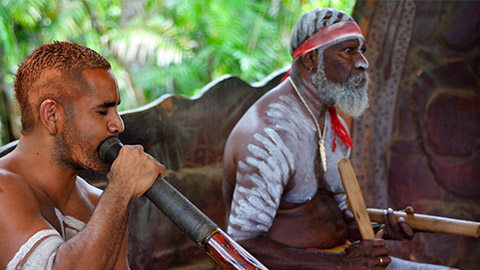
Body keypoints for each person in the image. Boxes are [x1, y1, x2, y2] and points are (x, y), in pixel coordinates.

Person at [222, 8, 455, 270]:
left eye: (362, 51)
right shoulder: (270, 134)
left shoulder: (333, 125)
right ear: (311, 59)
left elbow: (339, 220)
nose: (362, 63)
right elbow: (242, 247)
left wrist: (385, 229)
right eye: (348, 51)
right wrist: (341, 263)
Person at [0, 41, 165, 269]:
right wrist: (120, 191)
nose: (118, 124)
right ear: (52, 115)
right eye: (102, 111)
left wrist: (117, 196)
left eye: (116, 109)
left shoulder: (100, 204)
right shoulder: (3, 189)